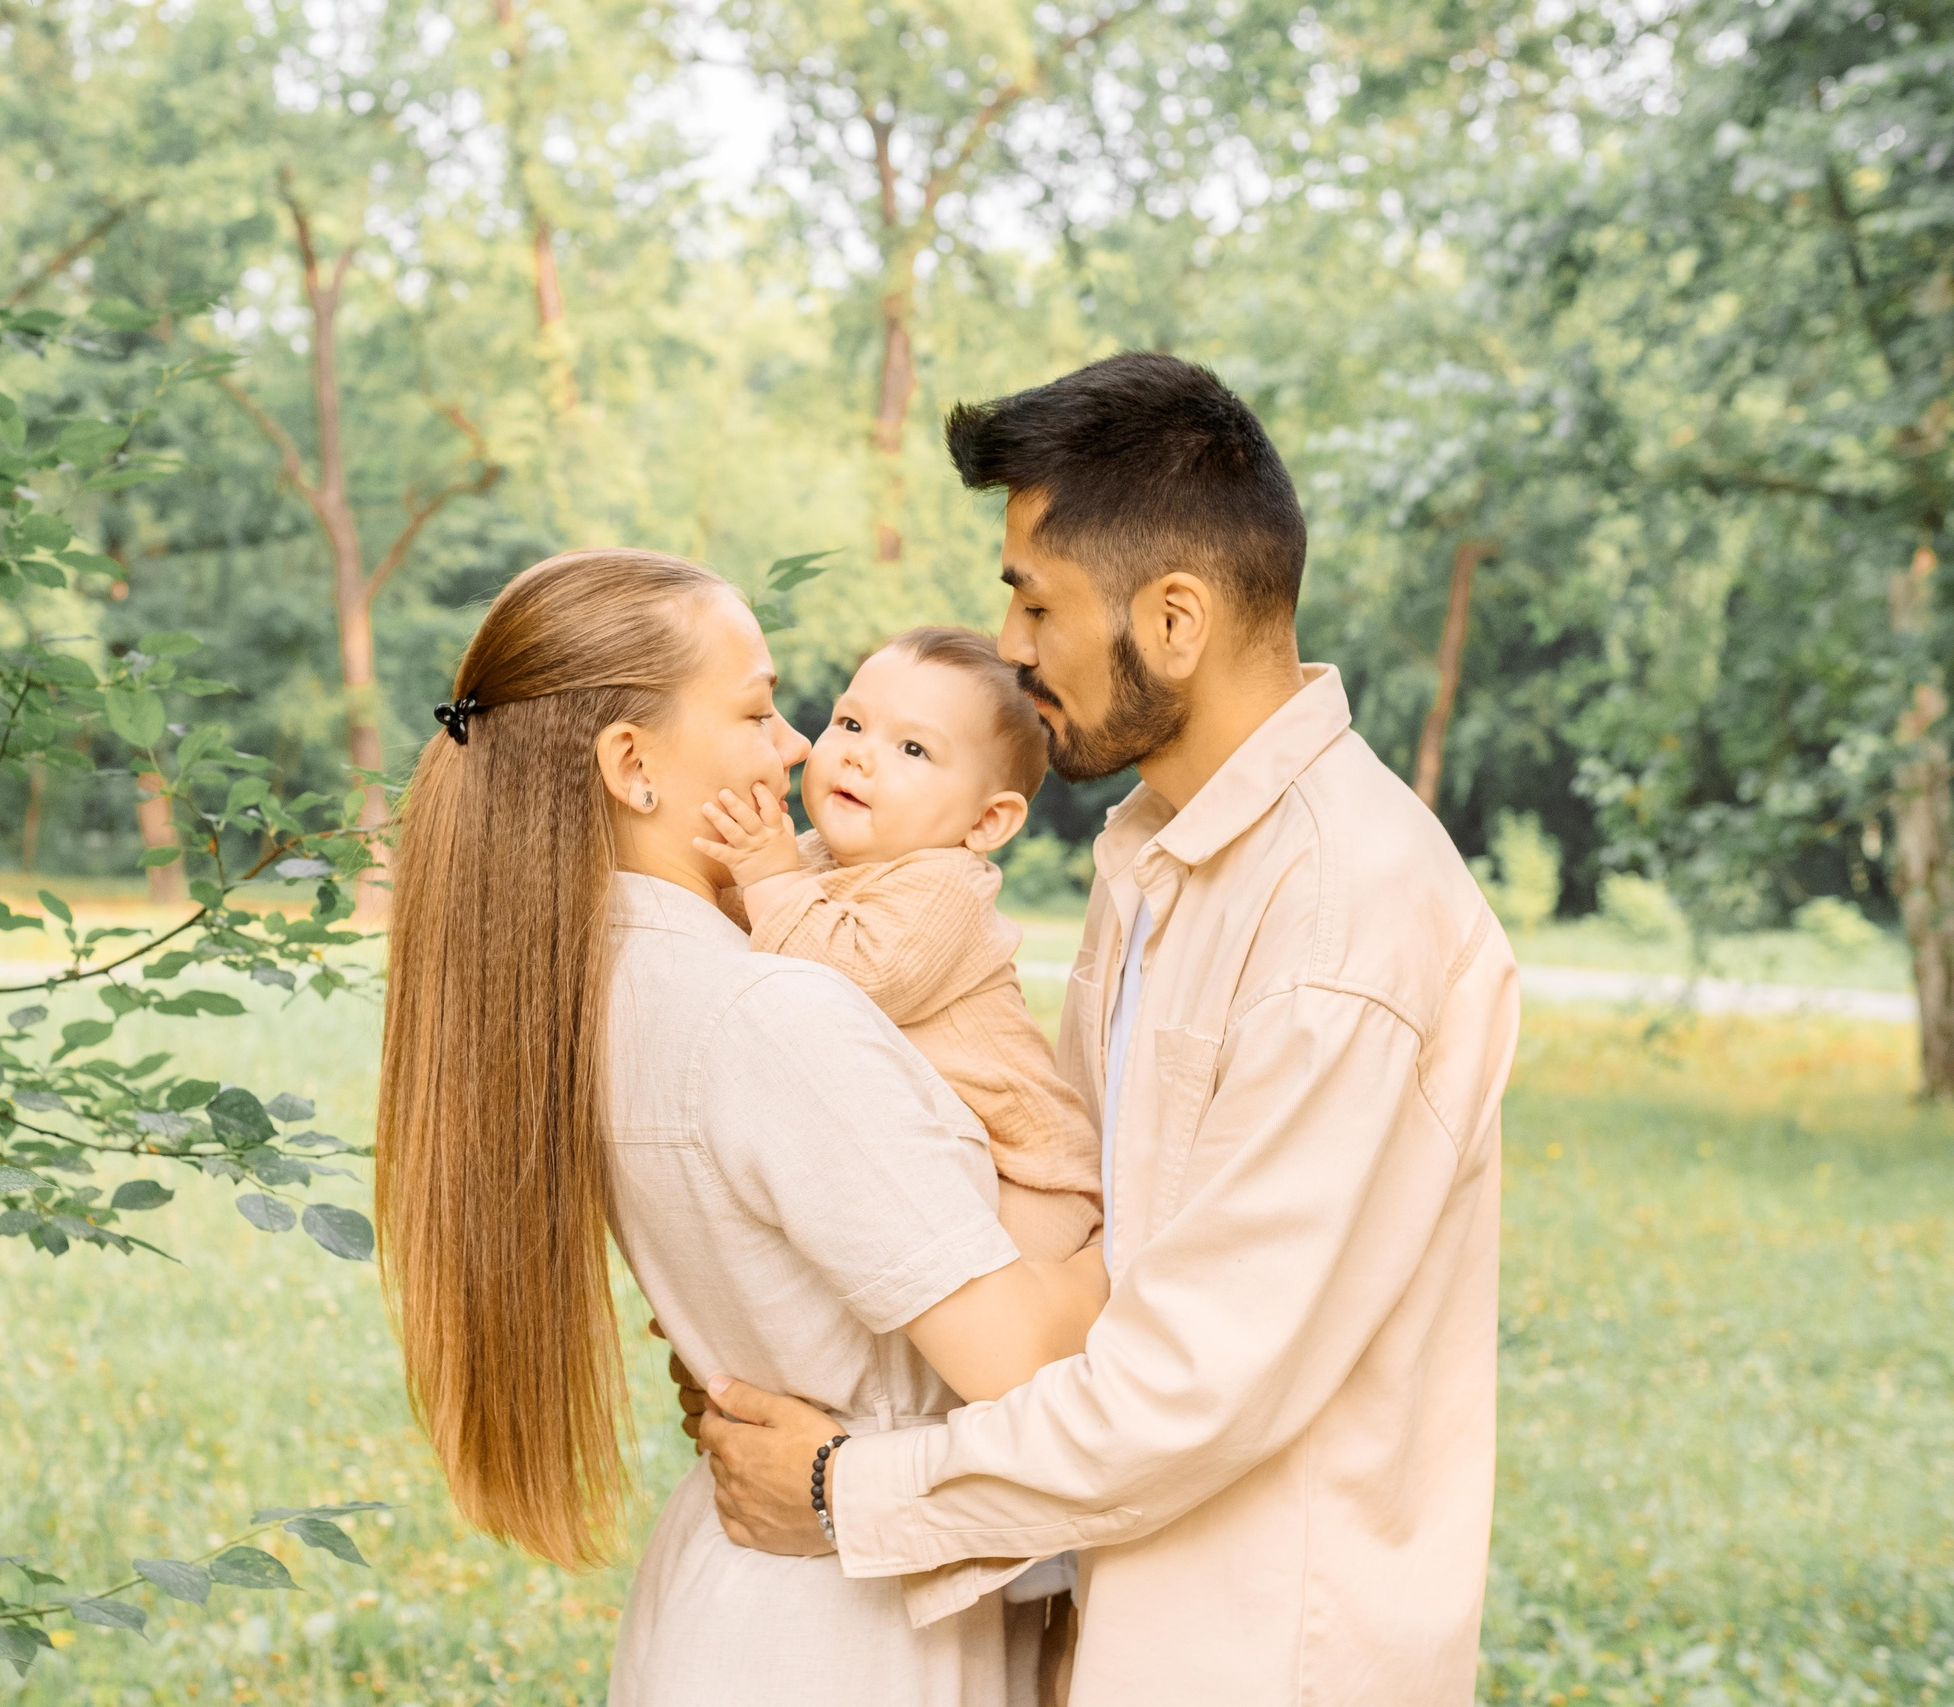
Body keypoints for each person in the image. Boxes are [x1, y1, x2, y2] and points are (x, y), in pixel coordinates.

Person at [698, 353, 1521, 1705]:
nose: (1010, 645)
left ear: (1176, 617)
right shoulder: (1156, 856)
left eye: (1035, 599)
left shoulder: (1341, 926)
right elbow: (1070, 1231)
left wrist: (849, 1485)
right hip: (1097, 1617)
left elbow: (1192, 1384)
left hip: (1256, 1659)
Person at [374, 549, 1108, 1707]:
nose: (802, 746)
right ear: (633, 765)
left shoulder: (585, 987)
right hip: (847, 1632)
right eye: (760, 710)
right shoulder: (770, 1014)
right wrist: (1180, 1218)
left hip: (753, 1593)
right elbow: (1018, 1356)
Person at [696, 625, 1104, 1262]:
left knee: (998, 1315)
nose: (859, 755)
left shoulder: (946, 886)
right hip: (924, 1155)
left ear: (986, 820)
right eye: (851, 723)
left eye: (913, 748)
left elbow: (853, 979)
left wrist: (768, 877)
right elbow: (735, 925)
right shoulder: (810, 859)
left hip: (1028, 1173)